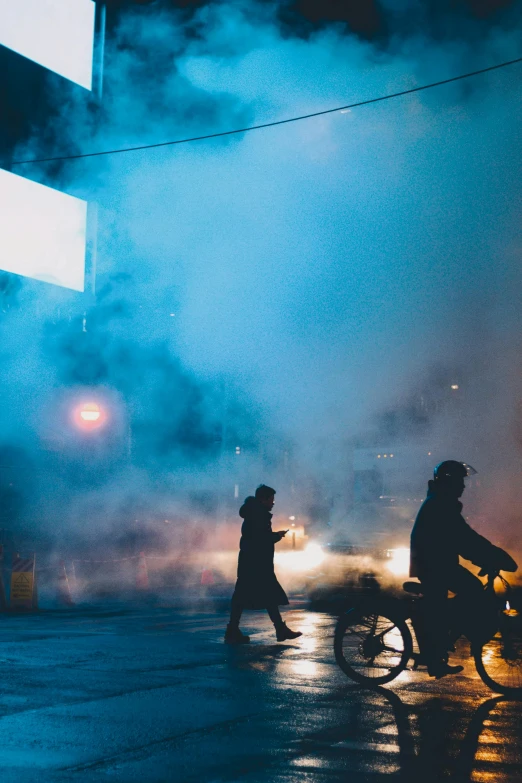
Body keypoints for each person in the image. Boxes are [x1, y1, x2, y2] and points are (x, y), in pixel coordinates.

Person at [410, 460, 517, 678]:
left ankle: (440, 643)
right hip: (433, 566)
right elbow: (465, 540)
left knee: (467, 592)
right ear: (449, 481)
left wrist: (487, 558)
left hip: (439, 563)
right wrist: (492, 557)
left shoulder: (441, 501)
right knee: (472, 591)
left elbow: (464, 540)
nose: (464, 486)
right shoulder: (441, 504)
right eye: (460, 481)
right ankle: (436, 650)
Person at [225, 484, 303, 644]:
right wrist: (276, 536)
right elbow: (260, 538)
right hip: (256, 564)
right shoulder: (258, 515)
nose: (273, 503)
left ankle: (277, 629)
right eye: (271, 500)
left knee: (259, 596)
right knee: (257, 596)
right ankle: (278, 629)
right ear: (263, 499)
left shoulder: (253, 513)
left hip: (252, 562)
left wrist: (273, 536)